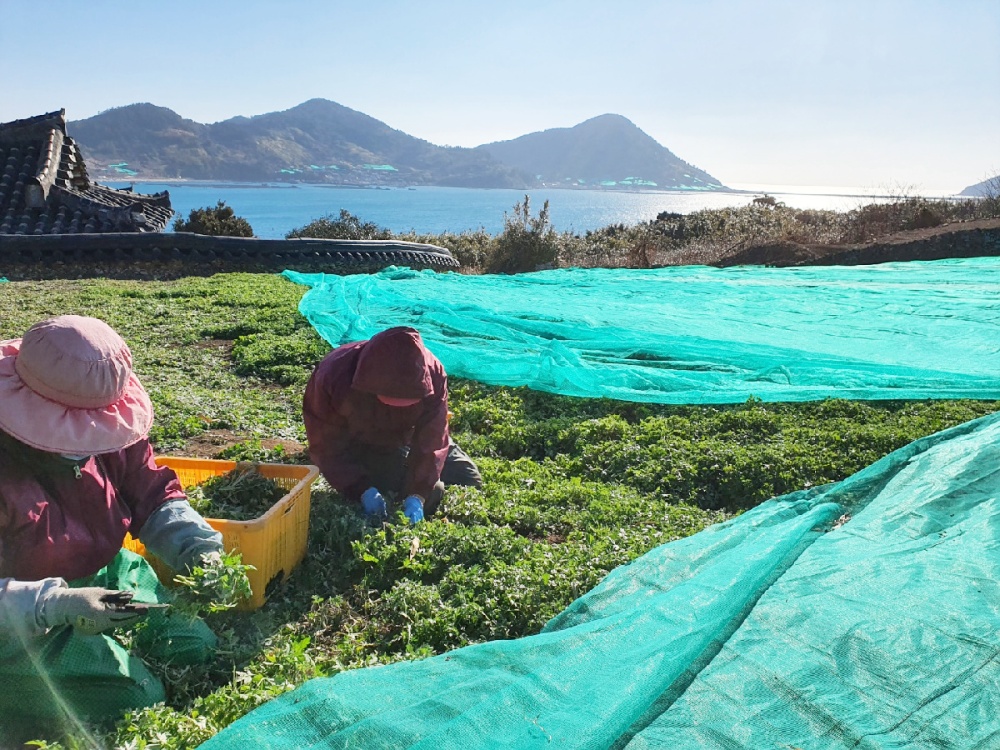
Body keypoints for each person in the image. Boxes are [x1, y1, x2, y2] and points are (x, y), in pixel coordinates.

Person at [0, 315, 226, 728]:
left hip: (104, 567)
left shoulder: (109, 420)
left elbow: (150, 490)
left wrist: (195, 545)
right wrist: (53, 605)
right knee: (140, 697)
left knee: (195, 647)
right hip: (18, 622)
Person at [303, 326, 482, 523]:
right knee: (427, 487)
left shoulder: (433, 373)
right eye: (389, 398)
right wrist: (360, 489)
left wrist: (419, 493)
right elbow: (325, 442)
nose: (398, 406)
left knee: (468, 479)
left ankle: (412, 484)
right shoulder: (333, 374)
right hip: (360, 440)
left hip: (407, 435)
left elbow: (433, 434)